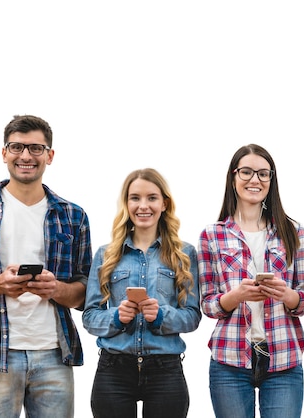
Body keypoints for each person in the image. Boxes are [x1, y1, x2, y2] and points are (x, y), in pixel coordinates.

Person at [0, 115, 93, 418]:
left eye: (36, 148)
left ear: (50, 156)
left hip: (54, 354)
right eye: (17, 147)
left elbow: (86, 290)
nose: (26, 156)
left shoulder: (73, 215)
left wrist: (56, 289)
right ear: (4, 153)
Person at [198, 144, 304, 418]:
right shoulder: (212, 235)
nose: (255, 180)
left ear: (271, 180)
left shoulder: (293, 231)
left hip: (283, 358)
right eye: (247, 172)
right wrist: (235, 296)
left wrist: (287, 295)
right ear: (233, 177)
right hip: (230, 359)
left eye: (263, 174)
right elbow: (208, 305)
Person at [82, 168, 201, 418]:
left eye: (152, 198)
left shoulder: (185, 254)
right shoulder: (106, 255)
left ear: (164, 204)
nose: (143, 205)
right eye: (135, 197)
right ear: (126, 203)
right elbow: (90, 316)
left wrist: (161, 315)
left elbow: (192, 316)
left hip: (165, 369)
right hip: (113, 369)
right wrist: (116, 317)